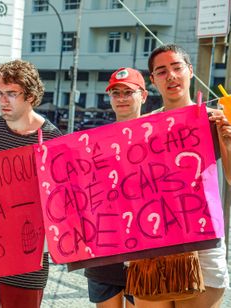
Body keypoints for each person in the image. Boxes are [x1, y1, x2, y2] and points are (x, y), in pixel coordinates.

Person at [130, 44, 231, 308]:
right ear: (152, 80)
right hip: (154, 243)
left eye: (177, 67)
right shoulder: (143, 128)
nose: (171, 76)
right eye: (162, 71)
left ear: (190, 71)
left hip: (204, 243)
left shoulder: (215, 121)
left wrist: (228, 143)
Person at [0, 59, 62, 308]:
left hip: (26, 261)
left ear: (30, 95)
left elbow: (58, 203)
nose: (3, 101)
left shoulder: (52, 139)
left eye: (11, 94)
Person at [83, 67, 146, 308]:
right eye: (115, 93)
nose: (121, 98)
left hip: (145, 249)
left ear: (143, 95)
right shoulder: (94, 140)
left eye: (128, 92)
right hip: (104, 248)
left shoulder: (157, 135)